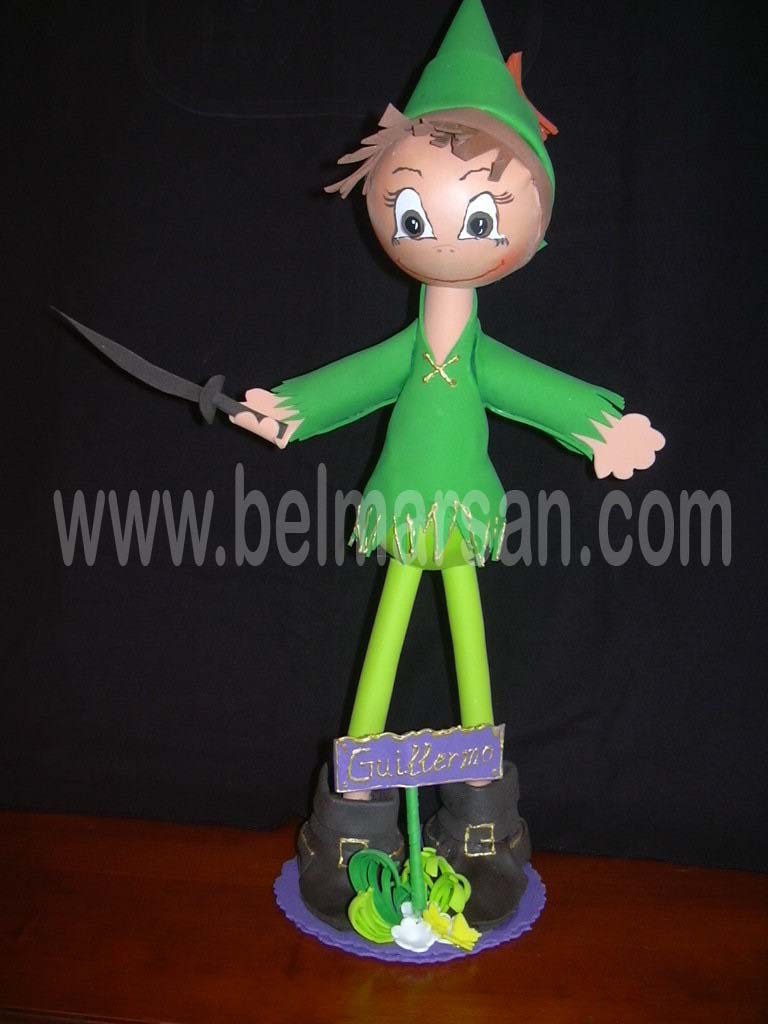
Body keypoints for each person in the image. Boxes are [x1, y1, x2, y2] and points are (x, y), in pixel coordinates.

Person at [230, 0, 665, 930]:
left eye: (476, 215)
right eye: (412, 209)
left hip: (461, 514)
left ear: (532, 223)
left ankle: (480, 827)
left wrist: (602, 428)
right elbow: (351, 381)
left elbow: (536, 389)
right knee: (380, 657)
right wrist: (289, 409)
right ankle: (350, 827)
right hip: (402, 510)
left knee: (473, 664)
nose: (439, 237)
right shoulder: (414, 349)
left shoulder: (476, 355)